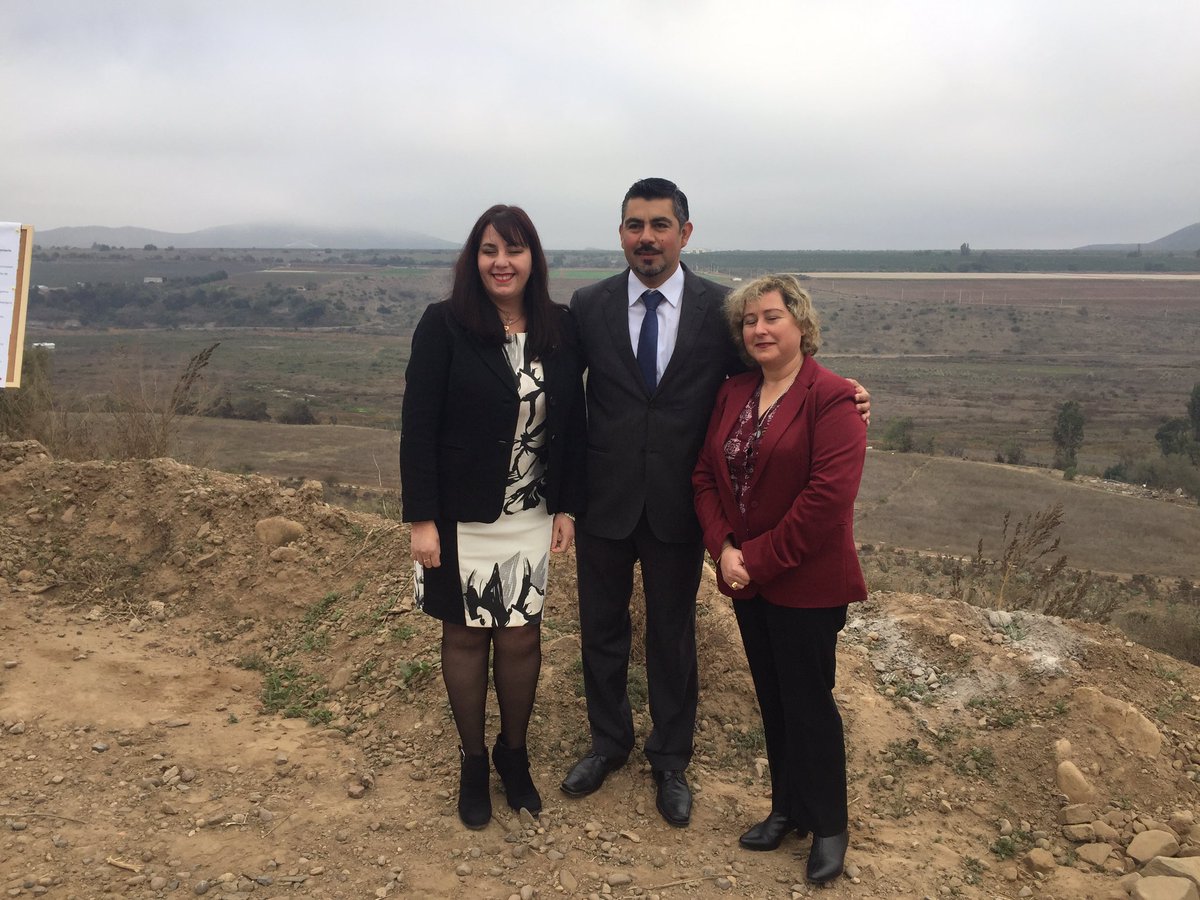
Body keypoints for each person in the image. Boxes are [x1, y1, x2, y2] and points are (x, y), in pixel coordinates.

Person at [561, 178, 869, 829]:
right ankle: (607, 744)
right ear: (621, 234)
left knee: (673, 636)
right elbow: (562, 396)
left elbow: (773, 369)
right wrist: (563, 495)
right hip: (603, 501)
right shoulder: (587, 305)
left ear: (685, 233)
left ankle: (670, 760)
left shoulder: (720, 309)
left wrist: (845, 393)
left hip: (682, 504)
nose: (647, 237)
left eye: (660, 225)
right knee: (601, 631)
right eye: (635, 225)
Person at [400, 204, 586, 829]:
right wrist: (421, 520)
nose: (501, 262)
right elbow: (418, 426)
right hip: (459, 518)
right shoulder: (444, 325)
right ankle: (473, 762)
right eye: (489, 250)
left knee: (521, 636)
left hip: (529, 513)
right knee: (464, 636)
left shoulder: (560, 328)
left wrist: (567, 504)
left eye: (514, 249)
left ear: (534, 259)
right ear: (473, 259)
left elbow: (574, 421)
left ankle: (514, 754)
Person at [692, 274, 866, 884]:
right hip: (748, 580)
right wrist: (724, 548)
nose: (759, 329)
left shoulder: (834, 398)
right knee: (773, 698)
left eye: (772, 317)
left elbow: (827, 500)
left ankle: (830, 825)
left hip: (807, 583)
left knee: (808, 702)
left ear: (800, 323)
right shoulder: (734, 391)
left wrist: (756, 559)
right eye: (749, 321)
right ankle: (787, 810)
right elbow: (705, 476)